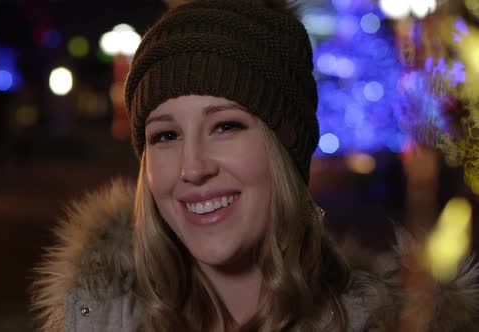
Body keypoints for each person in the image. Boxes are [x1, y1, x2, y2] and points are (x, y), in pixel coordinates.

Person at [30, 1, 479, 331]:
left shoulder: (396, 323)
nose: (193, 167)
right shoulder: (94, 319)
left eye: (225, 126)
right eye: (166, 135)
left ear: (286, 146)